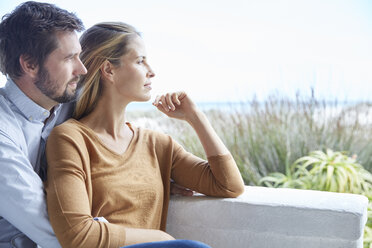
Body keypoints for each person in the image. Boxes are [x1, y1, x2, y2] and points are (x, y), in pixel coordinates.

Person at [45, 21, 245, 248]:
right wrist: (161, 238)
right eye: (140, 61)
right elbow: (77, 236)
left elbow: (228, 185)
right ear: (109, 70)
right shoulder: (70, 138)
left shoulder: (157, 144)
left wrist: (195, 118)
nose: (152, 71)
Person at [0, 1, 86, 247]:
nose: (82, 69)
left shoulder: (67, 105)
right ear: (29, 65)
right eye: (70, 58)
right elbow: (61, 233)